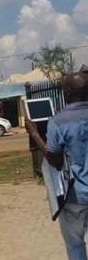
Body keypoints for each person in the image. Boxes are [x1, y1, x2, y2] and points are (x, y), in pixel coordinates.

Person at [25, 71, 88, 259]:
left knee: (75, 245)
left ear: (67, 92)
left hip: (75, 197)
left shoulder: (57, 121)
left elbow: (54, 160)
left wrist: (35, 134)